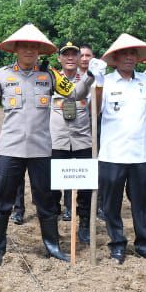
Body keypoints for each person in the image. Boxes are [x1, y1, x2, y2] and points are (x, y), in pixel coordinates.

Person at [0, 24, 98, 267]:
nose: (29, 50)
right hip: (11, 148)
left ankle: (52, 245)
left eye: (34, 47)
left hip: (41, 149)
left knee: (46, 200)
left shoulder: (50, 76)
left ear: (40, 50)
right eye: (24, 46)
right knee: (3, 200)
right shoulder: (2, 75)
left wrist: (90, 77)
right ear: (15, 49)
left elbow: (75, 95)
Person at [96, 35, 146, 264]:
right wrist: (96, 84)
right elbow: (93, 111)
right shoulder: (105, 82)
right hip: (112, 154)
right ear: (115, 58)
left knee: (142, 204)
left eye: (133, 53)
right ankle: (117, 244)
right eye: (124, 54)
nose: (129, 57)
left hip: (141, 154)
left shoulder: (145, 81)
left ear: (137, 58)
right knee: (111, 204)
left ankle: (144, 245)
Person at [48, 42, 94, 243]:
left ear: (79, 58)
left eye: (74, 54)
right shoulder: (51, 79)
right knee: (53, 189)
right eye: (65, 54)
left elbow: (96, 109)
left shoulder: (89, 80)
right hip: (57, 142)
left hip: (82, 141)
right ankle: (53, 227)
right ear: (59, 58)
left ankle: (84, 225)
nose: (70, 58)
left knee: (85, 189)